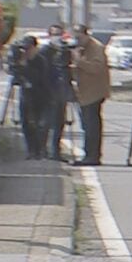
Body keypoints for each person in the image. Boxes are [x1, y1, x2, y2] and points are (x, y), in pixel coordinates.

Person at [69, 24, 111, 166]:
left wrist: (79, 61)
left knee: (91, 125)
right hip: (85, 92)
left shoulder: (96, 48)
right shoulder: (82, 48)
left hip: (94, 92)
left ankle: (92, 155)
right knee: (87, 125)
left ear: (86, 35)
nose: (77, 40)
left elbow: (97, 68)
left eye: (79, 37)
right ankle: (90, 153)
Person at [39, 23, 74, 161]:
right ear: (49, 35)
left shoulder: (66, 50)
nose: (57, 37)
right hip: (48, 91)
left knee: (60, 121)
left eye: (59, 34)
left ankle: (56, 151)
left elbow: (69, 69)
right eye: (54, 34)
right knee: (47, 122)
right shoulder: (45, 51)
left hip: (62, 90)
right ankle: (42, 150)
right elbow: (42, 72)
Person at [14, 36, 51, 159]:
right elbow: (16, 77)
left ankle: (40, 149)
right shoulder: (21, 60)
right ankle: (31, 150)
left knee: (39, 125)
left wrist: (25, 67)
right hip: (26, 96)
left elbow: (38, 78)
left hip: (40, 96)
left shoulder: (41, 61)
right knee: (26, 124)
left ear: (35, 48)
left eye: (29, 48)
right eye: (25, 49)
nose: (26, 51)